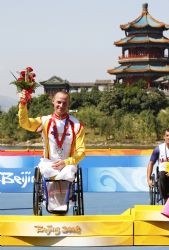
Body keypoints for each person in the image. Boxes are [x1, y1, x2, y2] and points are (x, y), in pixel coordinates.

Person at [18, 90, 85, 210]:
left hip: (67, 164)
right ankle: (49, 198)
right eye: (58, 102)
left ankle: (63, 201)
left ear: (68, 104)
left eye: (65, 103)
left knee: (69, 172)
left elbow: (81, 151)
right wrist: (23, 104)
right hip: (49, 163)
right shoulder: (44, 121)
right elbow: (25, 123)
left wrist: (66, 162)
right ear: (53, 101)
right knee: (46, 170)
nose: (61, 105)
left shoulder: (77, 125)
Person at [147, 128, 169, 203]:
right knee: (162, 175)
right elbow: (151, 163)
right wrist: (148, 179)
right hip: (163, 173)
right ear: (164, 137)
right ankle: (166, 201)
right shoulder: (158, 149)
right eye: (167, 135)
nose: (168, 137)